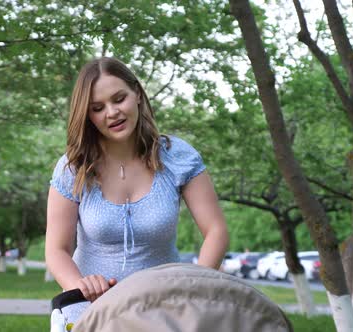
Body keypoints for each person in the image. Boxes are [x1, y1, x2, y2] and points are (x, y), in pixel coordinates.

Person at [45, 57, 229, 322]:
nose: (112, 113)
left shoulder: (177, 157)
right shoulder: (72, 168)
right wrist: (80, 284)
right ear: (87, 115)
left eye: (119, 99)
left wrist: (194, 284)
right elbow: (56, 249)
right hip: (90, 313)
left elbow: (216, 231)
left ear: (138, 95)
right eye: (98, 107)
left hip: (164, 313)